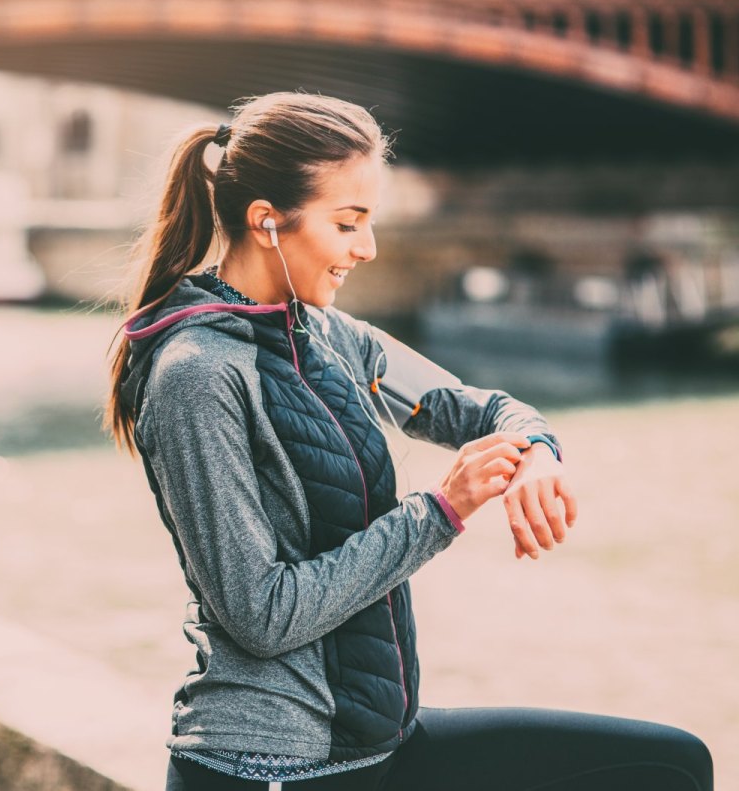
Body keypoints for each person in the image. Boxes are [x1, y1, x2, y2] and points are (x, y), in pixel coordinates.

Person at [102, 92, 712, 791]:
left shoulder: (330, 336)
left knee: (671, 765)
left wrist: (537, 452)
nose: (368, 248)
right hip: (270, 768)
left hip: (378, 743)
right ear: (267, 222)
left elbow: (481, 410)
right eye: (348, 223)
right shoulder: (196, 377)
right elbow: (261, 614)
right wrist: (439, 512)